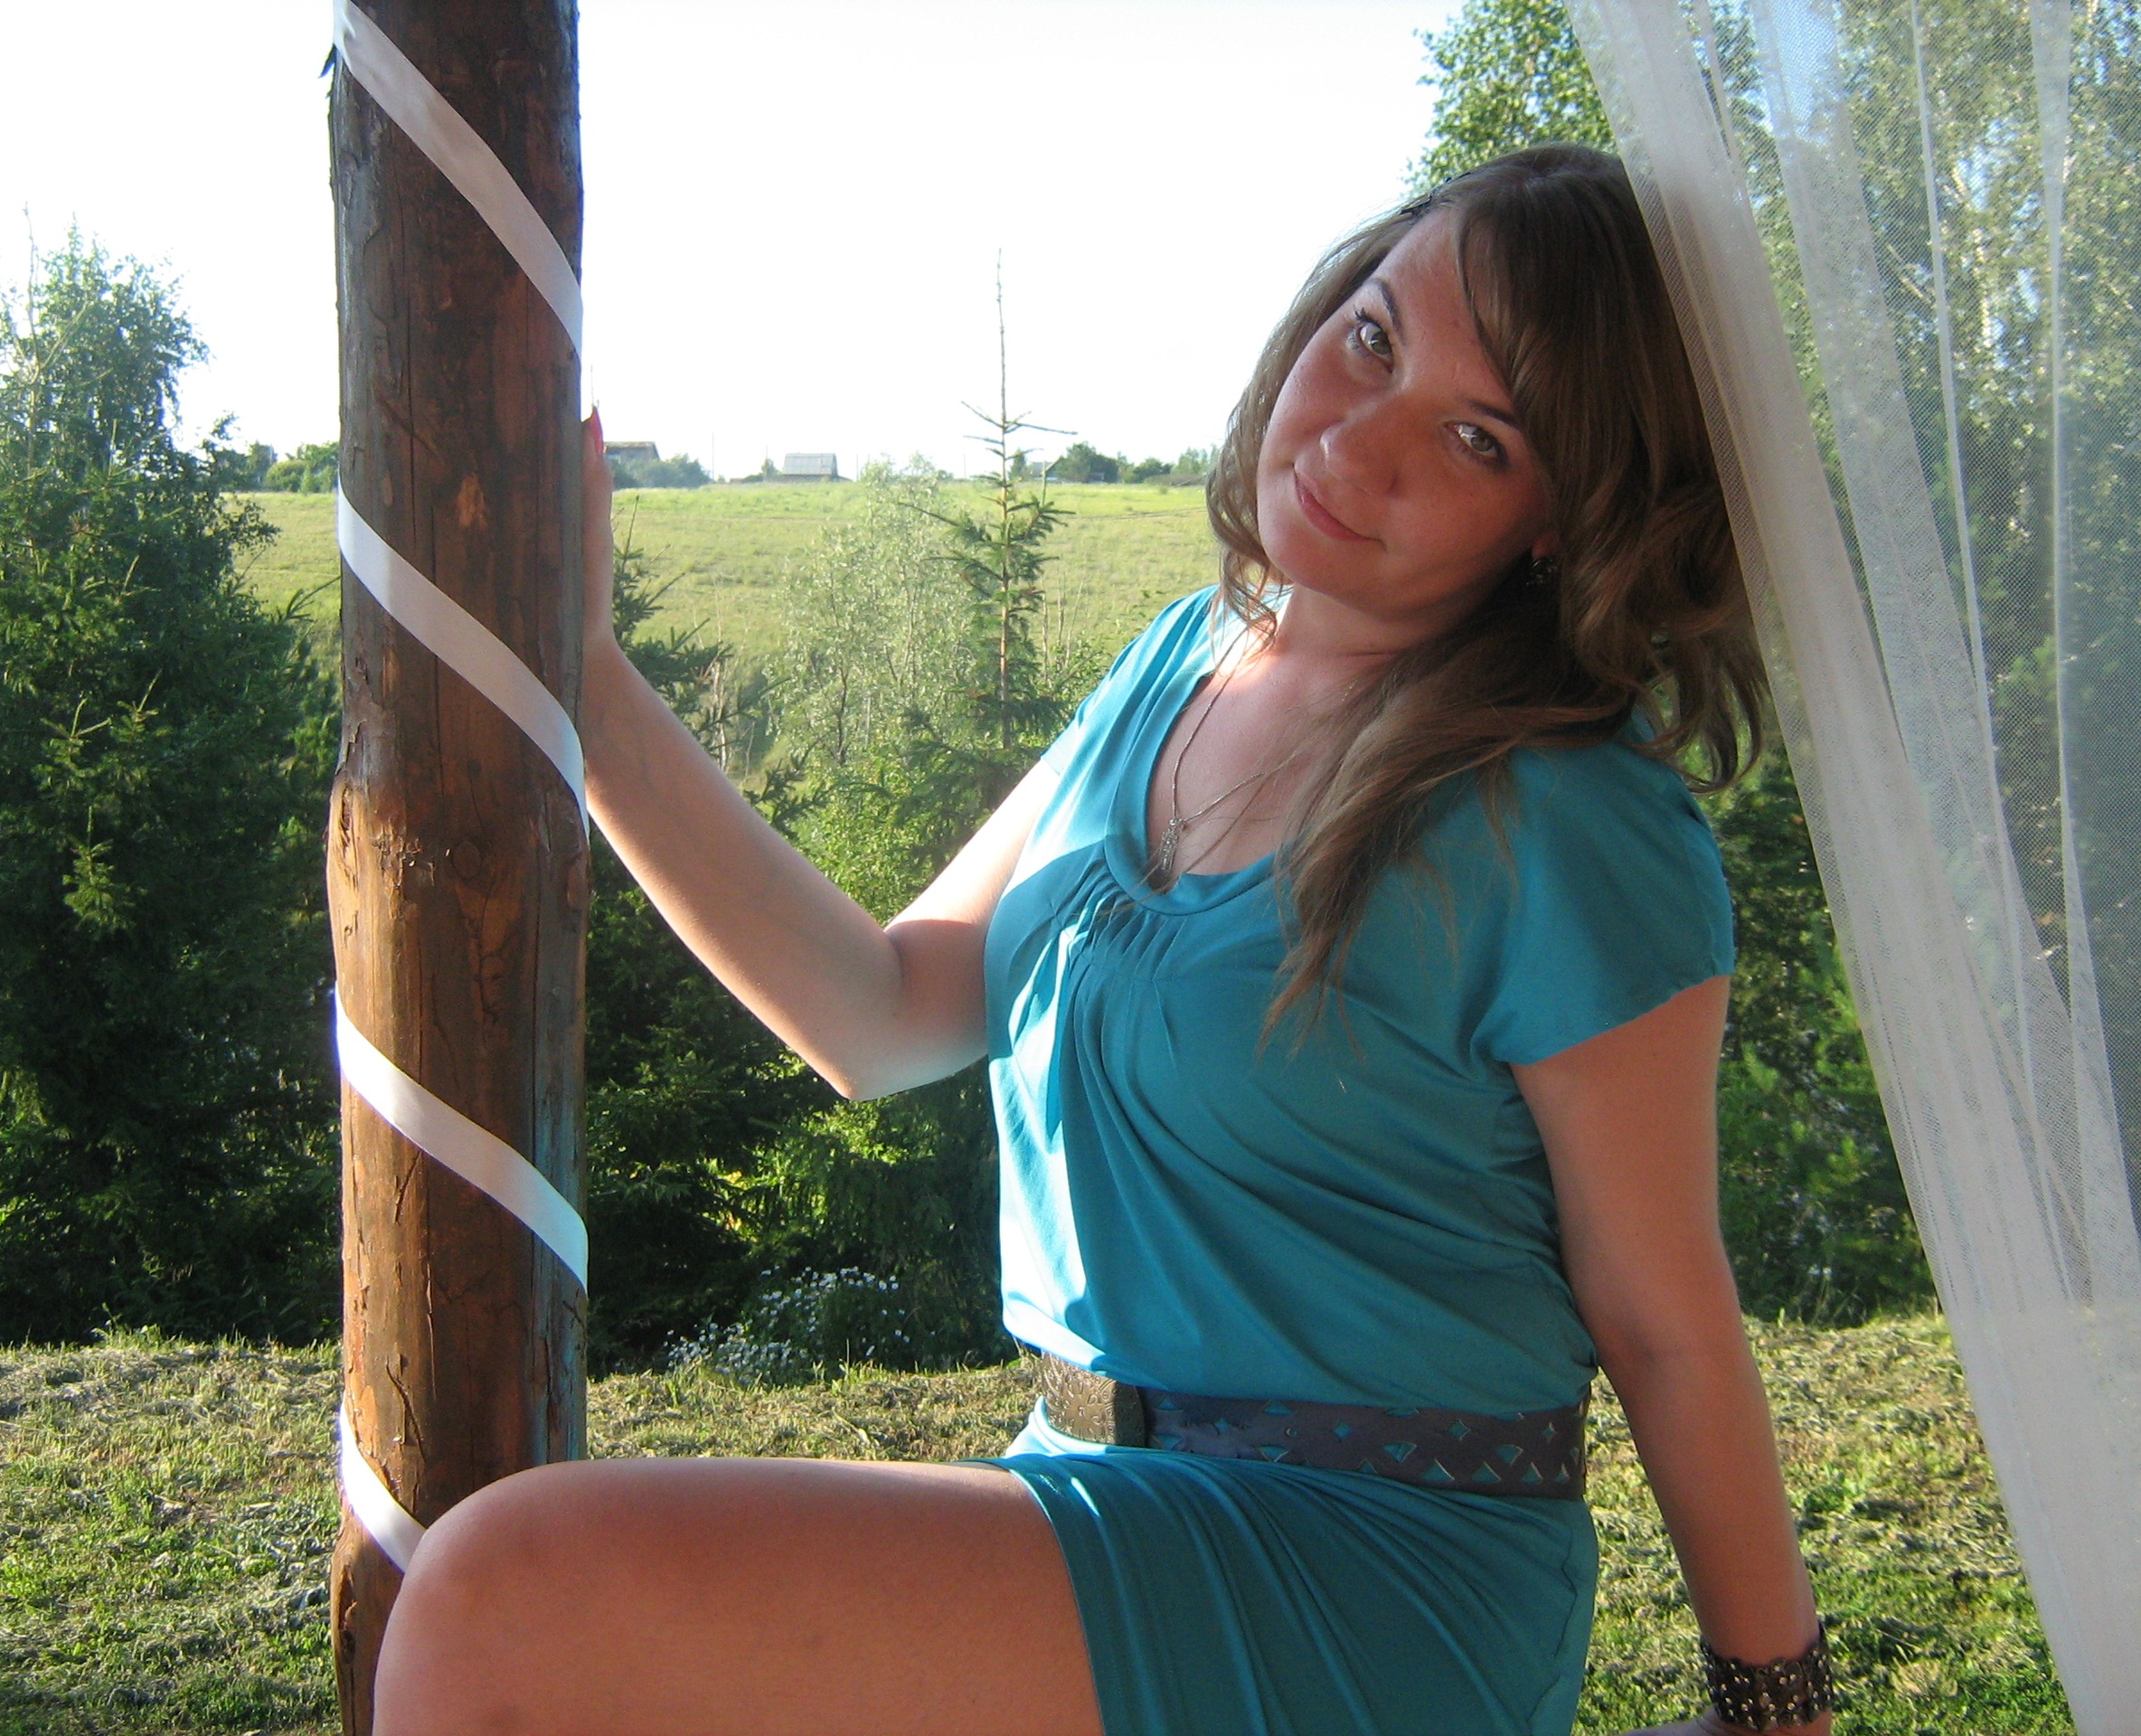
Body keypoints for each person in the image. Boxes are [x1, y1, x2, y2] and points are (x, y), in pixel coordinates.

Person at [372, 144, 1834, 1736]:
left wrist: (1771, 1702)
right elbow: (881, 1010)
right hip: (1080, 1489)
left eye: (1477, 438)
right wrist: (589, 681)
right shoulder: (1179, 664)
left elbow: (1661, 1314)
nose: (1360, 440)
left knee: (508, 1597)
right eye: (1373, 339)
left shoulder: (1571, 820)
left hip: (1369, 1564)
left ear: (1560, 523)